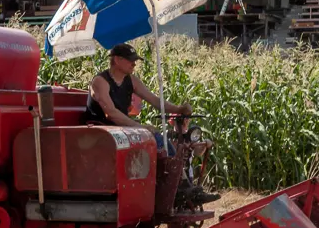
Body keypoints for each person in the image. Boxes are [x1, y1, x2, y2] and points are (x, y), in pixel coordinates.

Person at [84, 43, 218, 204]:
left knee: (161, 143)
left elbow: (155, 101)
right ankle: (177, 188)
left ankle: (177, 186)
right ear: (117, 60)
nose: (134, 64)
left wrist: (179, 108)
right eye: (130, 60)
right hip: (100, 131)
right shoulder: (100, 82)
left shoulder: (131, 80)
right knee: (154, 136)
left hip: (120, 130)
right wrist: (140, 127)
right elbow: (110, 113)